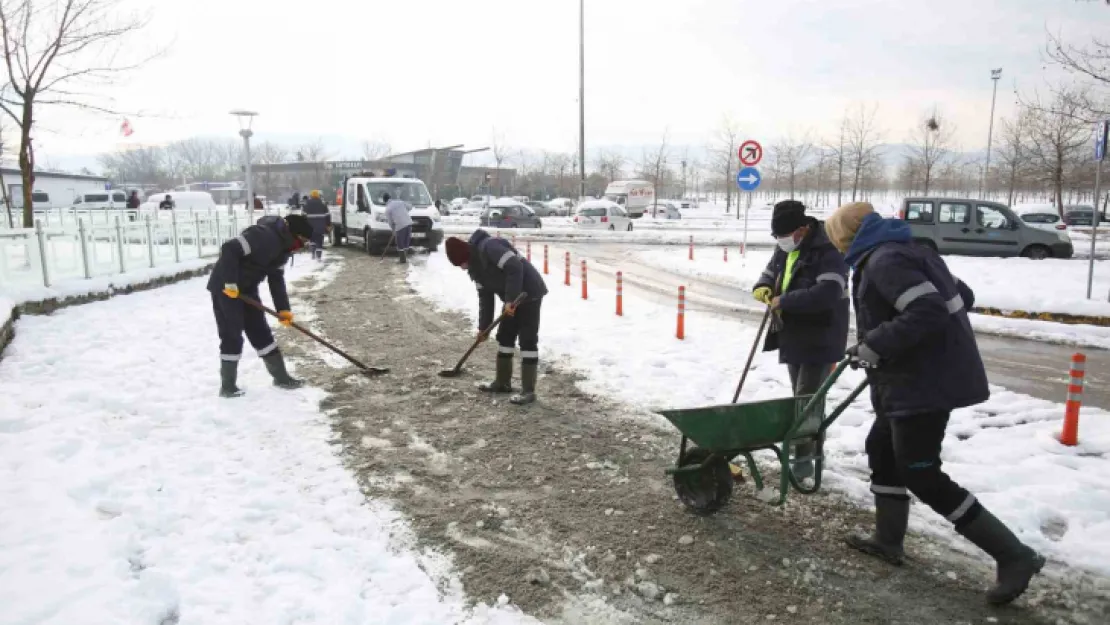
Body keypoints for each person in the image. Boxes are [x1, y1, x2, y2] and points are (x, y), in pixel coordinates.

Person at [824, 201, 1044, 606]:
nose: (837, 248)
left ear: (846, 236)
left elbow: (928, 310)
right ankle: (888, 540)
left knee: (923, 474)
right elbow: (962, 295)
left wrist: (877, 342)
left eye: (837, 240)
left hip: (923, 385)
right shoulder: (909, 250)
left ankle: (1015, 555)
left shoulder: (884, 261)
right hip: (909, 381)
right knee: (881, 449)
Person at [751, 200, 850, 479]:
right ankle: (805, 455)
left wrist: (785, 300)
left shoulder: (829, 250)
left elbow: (827, 292)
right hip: (794, 335)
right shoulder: (786, 247)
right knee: (801, 398)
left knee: (808, 401)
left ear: (803, 229)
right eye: (777, 237)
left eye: (784, 236)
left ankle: (804, 461)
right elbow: (771, 272)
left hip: (822, 336)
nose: (780, 241)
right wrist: (762, 288)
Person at [206, 213, 314, 398]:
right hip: (226, 289)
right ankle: (228, 387)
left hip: (247, 289)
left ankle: (281, 378)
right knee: (232, 335)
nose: (301, 246)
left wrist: (283, 309)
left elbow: (276, 279)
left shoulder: (283, 249)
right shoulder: (263, 235)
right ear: (294, 233)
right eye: (302, 240)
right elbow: (229, 249)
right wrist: (230, 282)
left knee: (261, 332)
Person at [444, 230, 548, 405]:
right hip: (512, 297)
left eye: (463, 263)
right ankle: (502, 382)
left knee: (527, 340)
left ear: (467, 254)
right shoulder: (475, 269)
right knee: (505, 336)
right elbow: (485, 298)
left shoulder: (490, 247)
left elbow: (515, 267)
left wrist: (510, 300)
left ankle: (528, 391)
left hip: (529, 292)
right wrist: (483, 328)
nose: (463, 267)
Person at [383, 191, 413, 264]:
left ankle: (402, 260)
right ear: (390, 198)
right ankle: (405, 259)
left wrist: (393, 230)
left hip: (400, 226)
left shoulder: (388, 209)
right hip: (408, 223)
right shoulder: (399, 202)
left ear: (384, 201)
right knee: (406, 242)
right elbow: (410, 207)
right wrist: (403, 211)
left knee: (400, 243)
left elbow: (390, 222)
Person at [302, 189, 331, 261]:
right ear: (318, 196)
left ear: (311, 196)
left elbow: (303, 216)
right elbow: (328, 215)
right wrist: (328, 225)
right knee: (319, 241)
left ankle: (312, 253)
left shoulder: (306, 205)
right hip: (320, 227)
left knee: (312, 240)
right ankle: (319, 256)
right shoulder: (323, 204)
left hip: (310, 227)